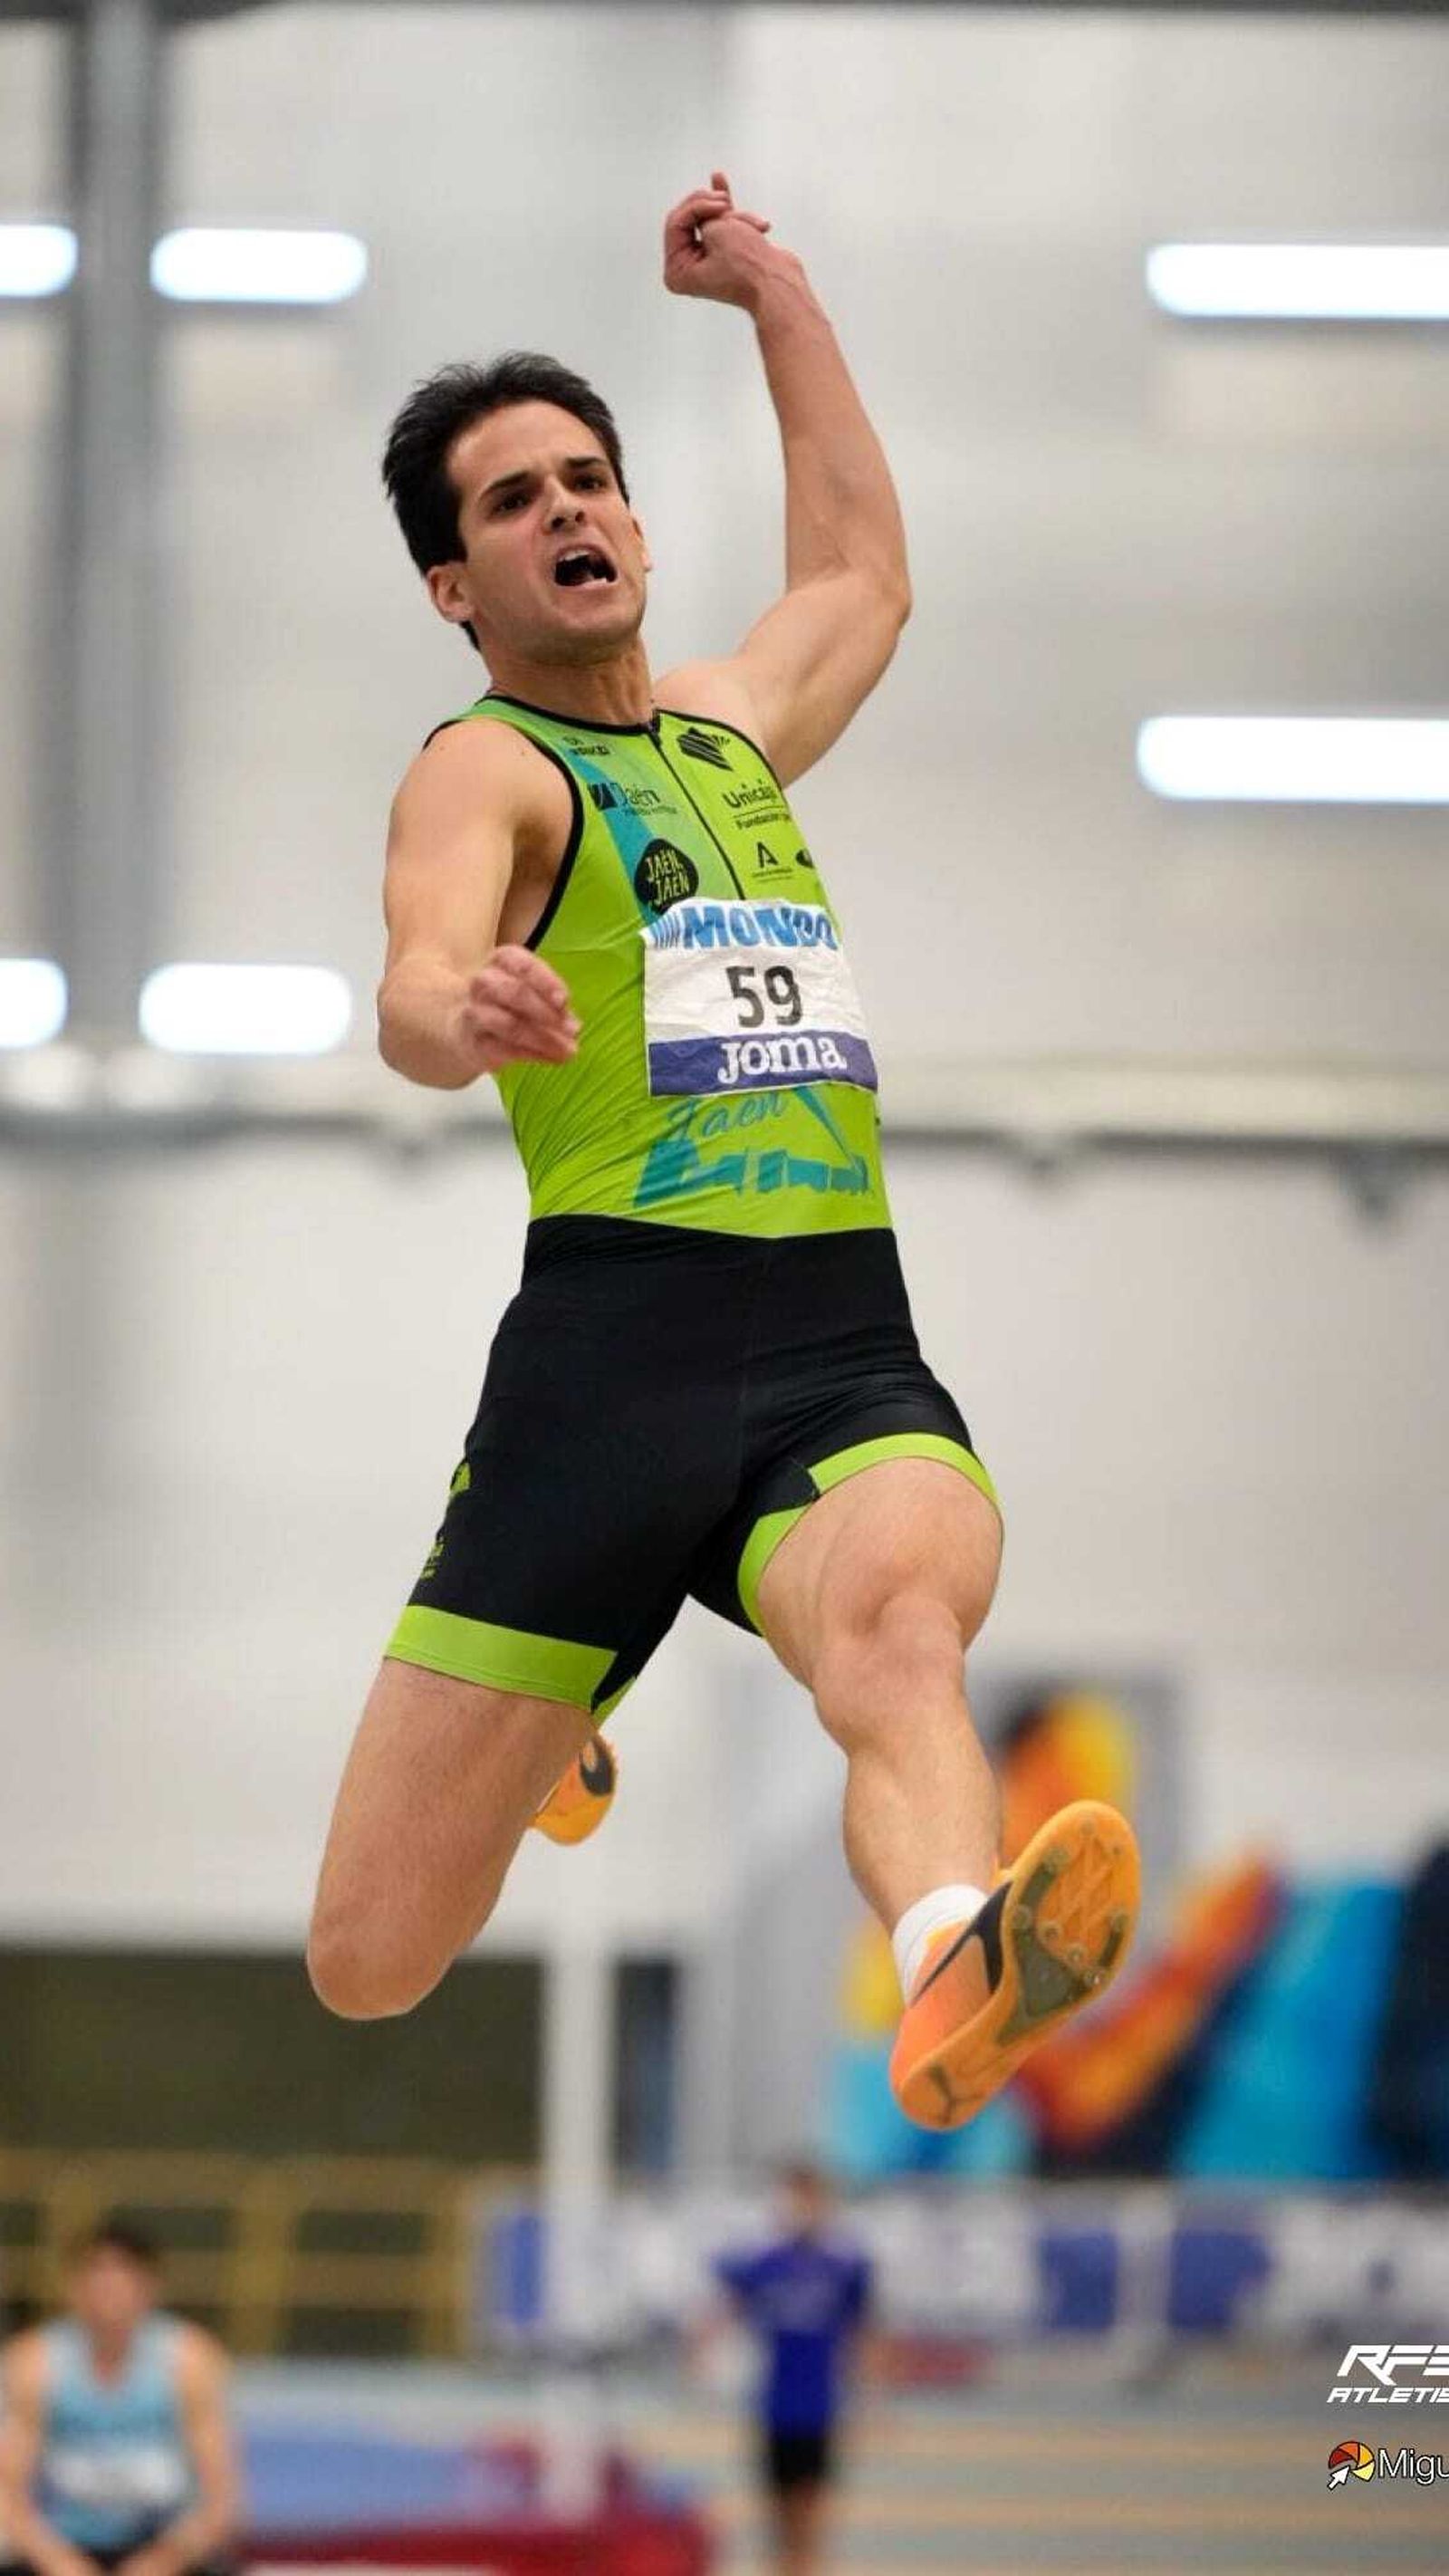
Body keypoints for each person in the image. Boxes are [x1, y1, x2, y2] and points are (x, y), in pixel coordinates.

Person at [307, 171, 1140, 2129]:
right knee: (369, 1958)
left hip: (841, 1335)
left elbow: (860, 576)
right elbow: (415, 976)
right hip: (614, 1364)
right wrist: (465, 1011)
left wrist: (768, 292)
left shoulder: (725, 734)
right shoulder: (486, 768)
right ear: (456, 588)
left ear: (636, 521)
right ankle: (549, 1726)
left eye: (586, 477)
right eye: (513, 503)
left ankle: (947, 1939)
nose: (566, 512)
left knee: (907, 1609)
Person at [0, 2223, 240, 2576]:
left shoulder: (189, 2361)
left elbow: (223, 2498)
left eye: (122, 2278)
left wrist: (163, 2561)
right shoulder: (35, 2363)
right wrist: (59, 2562)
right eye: (96, 2276)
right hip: (66, 2545)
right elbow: (7, 2491)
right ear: (73, 2286)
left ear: (149, 2287)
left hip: (163, 2545)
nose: (108, 2292)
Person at [707, 2167, 873, 2576]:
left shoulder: (841, 2269)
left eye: (810, 2199)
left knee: (810, 2520)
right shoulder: (766, 2265)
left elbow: (862, 2336)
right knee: (776, 2521)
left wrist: (871, 2401)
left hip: (819, 2408)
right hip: (775, 2407)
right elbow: (725, 2308)